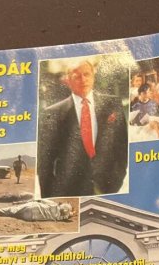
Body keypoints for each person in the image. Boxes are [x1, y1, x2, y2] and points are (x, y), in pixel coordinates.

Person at [37, 58, 128, 197]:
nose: (83, 79)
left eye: (86, 74)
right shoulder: (53, 113)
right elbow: (45, 164)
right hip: (70, 192)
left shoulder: (112, 104)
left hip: (108, 188)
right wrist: (51, 198)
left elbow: (122, 148)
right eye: (77, 76)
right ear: (68, 80)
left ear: (93, 77)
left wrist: (116, 180)